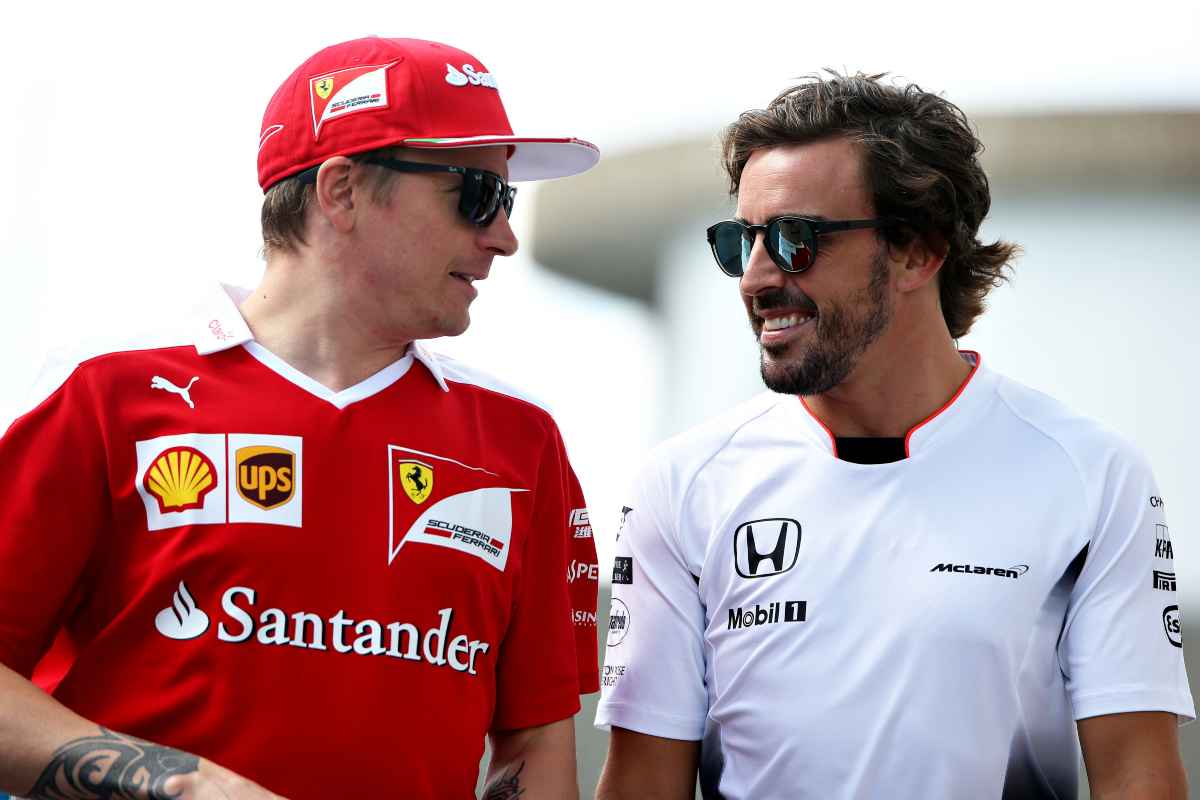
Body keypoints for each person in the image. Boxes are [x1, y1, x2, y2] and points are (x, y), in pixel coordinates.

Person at [0, 36, 601, 800]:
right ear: (342, 190)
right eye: (477, 195)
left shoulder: (522, 439)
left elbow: (537, 746)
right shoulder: (108, 393)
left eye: (507, 201)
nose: (505, 237)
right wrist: (184, 785)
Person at [594, 72, 1193, 799]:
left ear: (918, 251)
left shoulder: (1091, 474)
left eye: (795, 240)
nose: (755, 277)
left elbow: (1138, 775)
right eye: (740, 240)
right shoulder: (681, 484)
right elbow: (641, 785)